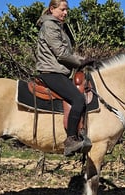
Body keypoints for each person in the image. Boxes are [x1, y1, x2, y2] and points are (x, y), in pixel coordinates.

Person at [36, 0, 91, 156]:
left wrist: (84, 60)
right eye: (63, 9)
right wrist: (81, 61)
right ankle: (70, 140)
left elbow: (67, 53)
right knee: (79, 100)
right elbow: (60, 53)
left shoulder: (57, 26)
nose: (65, 13)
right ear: (52, 9)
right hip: (51, 72)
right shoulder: (50, 26)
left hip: (58, 72)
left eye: (66, 10)